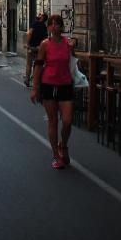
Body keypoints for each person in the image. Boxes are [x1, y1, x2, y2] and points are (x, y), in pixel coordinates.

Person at [30, 14, 74, 169]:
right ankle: (56, 155)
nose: (55, 26)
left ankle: (64, 145)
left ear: (61, 27)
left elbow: (73, 64)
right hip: (48, 85)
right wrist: (35, 88)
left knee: (68, 121)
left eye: (58, 24)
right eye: (52, 24)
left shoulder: (68, 44)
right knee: (53, 121)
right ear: (48, 27)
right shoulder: (45, 45)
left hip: (65, 84)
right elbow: (38, 66)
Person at [25, 12, 48, 86]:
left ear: (42, 17)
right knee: (37, 65)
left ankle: (27, 80)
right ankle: (35, 80)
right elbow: (45, 38)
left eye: (40, 14)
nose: (39, 15)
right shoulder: (44, 27)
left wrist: (27, 44)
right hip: (39, 48)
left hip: (31, 47)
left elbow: (29, 33)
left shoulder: (35, 23)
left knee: (29, 64)